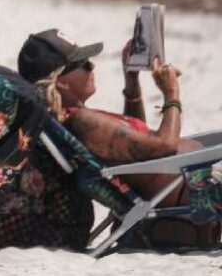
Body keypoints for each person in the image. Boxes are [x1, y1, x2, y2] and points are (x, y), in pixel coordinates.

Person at [18, 30, 209, 219]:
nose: (92, 67)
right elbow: (165, 146)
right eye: (84, 64)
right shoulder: (83, 122)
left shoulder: (73, 119)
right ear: (62, 82)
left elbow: (136, 144)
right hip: (192, 189)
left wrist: (131, 81)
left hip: (185, 183)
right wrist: (171, 94)